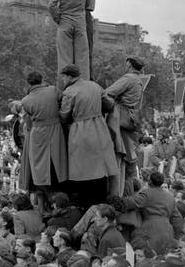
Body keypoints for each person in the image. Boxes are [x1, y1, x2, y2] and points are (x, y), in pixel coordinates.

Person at [59, 65, 120, 197]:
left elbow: (64, 116)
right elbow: (109, 105)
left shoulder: (69, 92)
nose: (62, 79)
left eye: (63, 76)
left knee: (83, 169)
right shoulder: (95, 86)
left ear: (69, 76)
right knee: (101, 166)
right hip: (100, 129)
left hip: (80, 132)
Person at [20, 71, 68, 211]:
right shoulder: (53, 90)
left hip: (37, 135)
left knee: (39, 169)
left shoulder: (26, 101)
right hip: (56, 131)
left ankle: (46, 206)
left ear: (29, 83)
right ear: (42, 79)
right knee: (58, 164)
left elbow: (28, 124)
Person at [104, 56, 145, 196]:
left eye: (126, 63)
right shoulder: (139, 81)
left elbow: (107, 93)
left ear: (129, 65)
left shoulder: (128, 78)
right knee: (128, 163)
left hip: (119, 119)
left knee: (117, 159)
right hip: (130, 121)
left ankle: (116, 195)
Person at [48, 0, 94, 81]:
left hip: (65, 24)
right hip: (80, 24)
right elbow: (89, 6)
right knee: (82, 61)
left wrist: (59, 19)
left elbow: (51, 6)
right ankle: (83, 89)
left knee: (64, 60)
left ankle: (64, 91)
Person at [120, 171, 183, 254]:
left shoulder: (147, 193)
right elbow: (177, 219)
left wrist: (117, 200)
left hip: (150, 229)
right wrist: (176, 237)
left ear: (150, 181)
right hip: (168, 230)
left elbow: (131, 202)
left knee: (147, 257)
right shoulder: (170, 196)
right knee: (163, 260)